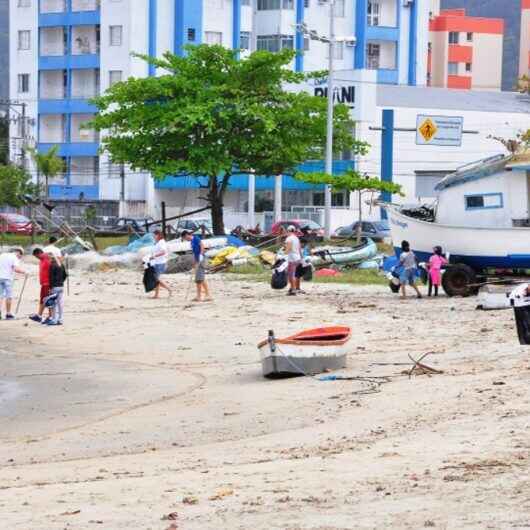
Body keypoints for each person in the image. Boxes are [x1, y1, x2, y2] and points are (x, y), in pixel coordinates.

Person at [181, 230, 211, 302]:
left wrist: (201, 254)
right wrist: (195, 263)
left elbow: (202, 246)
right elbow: (195, 253)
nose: (185, 239)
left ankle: (199, 297)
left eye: (185, 238)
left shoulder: (196, 238)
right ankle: (207, 295)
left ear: (186, 235)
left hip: (202, 260)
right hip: (198, 260)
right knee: (201, 279)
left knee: (198, 280)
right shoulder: (191, 242)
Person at [0, 247, 27, 320]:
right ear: (18, 252)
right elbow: (16, 269)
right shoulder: (14, 257)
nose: (20, 257)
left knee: (0, 296)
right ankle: (8, 314)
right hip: (8, 279)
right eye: (21, 255)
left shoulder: (2, 255)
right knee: (9, 296)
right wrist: (25, 272)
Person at [30, 248, 52, 323]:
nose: (37, 258)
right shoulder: (41, 260)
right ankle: (39, 316)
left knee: (48, 300)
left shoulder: (46, 257)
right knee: (42, 300)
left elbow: (51, 256)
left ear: (39, 253)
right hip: (43, 284)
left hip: (48, 283)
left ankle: (51, 316)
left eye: (37, 256)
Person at [150, 229, 172, 299]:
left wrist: (154, 256)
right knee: (155, 279)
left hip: (161, 263)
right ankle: (157, 294)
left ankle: (168, 289)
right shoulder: (157, 242)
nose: (153, 236)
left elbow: (163, 252)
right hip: (157, 262)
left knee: (156, 279)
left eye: (154, 235)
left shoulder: (161, 242)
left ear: (158, 235)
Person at [47, 254, 67, 325]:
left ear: (52, 259)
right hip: (61, 286)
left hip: (54, 286)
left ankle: (54, 319)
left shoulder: (52, 266)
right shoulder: (61, 265)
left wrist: (50, 287)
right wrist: (61, 281)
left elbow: (51, 277)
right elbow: (65, 275)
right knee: (60, 303)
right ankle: (60, 319)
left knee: (53, 303)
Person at [285, 225, 302, 296]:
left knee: (291, 274)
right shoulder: (296, 238)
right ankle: (294, 288)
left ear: (288, 231)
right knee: (295, 274)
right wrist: (301, 258)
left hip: (292, 258)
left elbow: (288, 249)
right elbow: (299, 249)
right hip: (297, 258)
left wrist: (283, 254)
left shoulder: (289, 239)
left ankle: (293, 289)